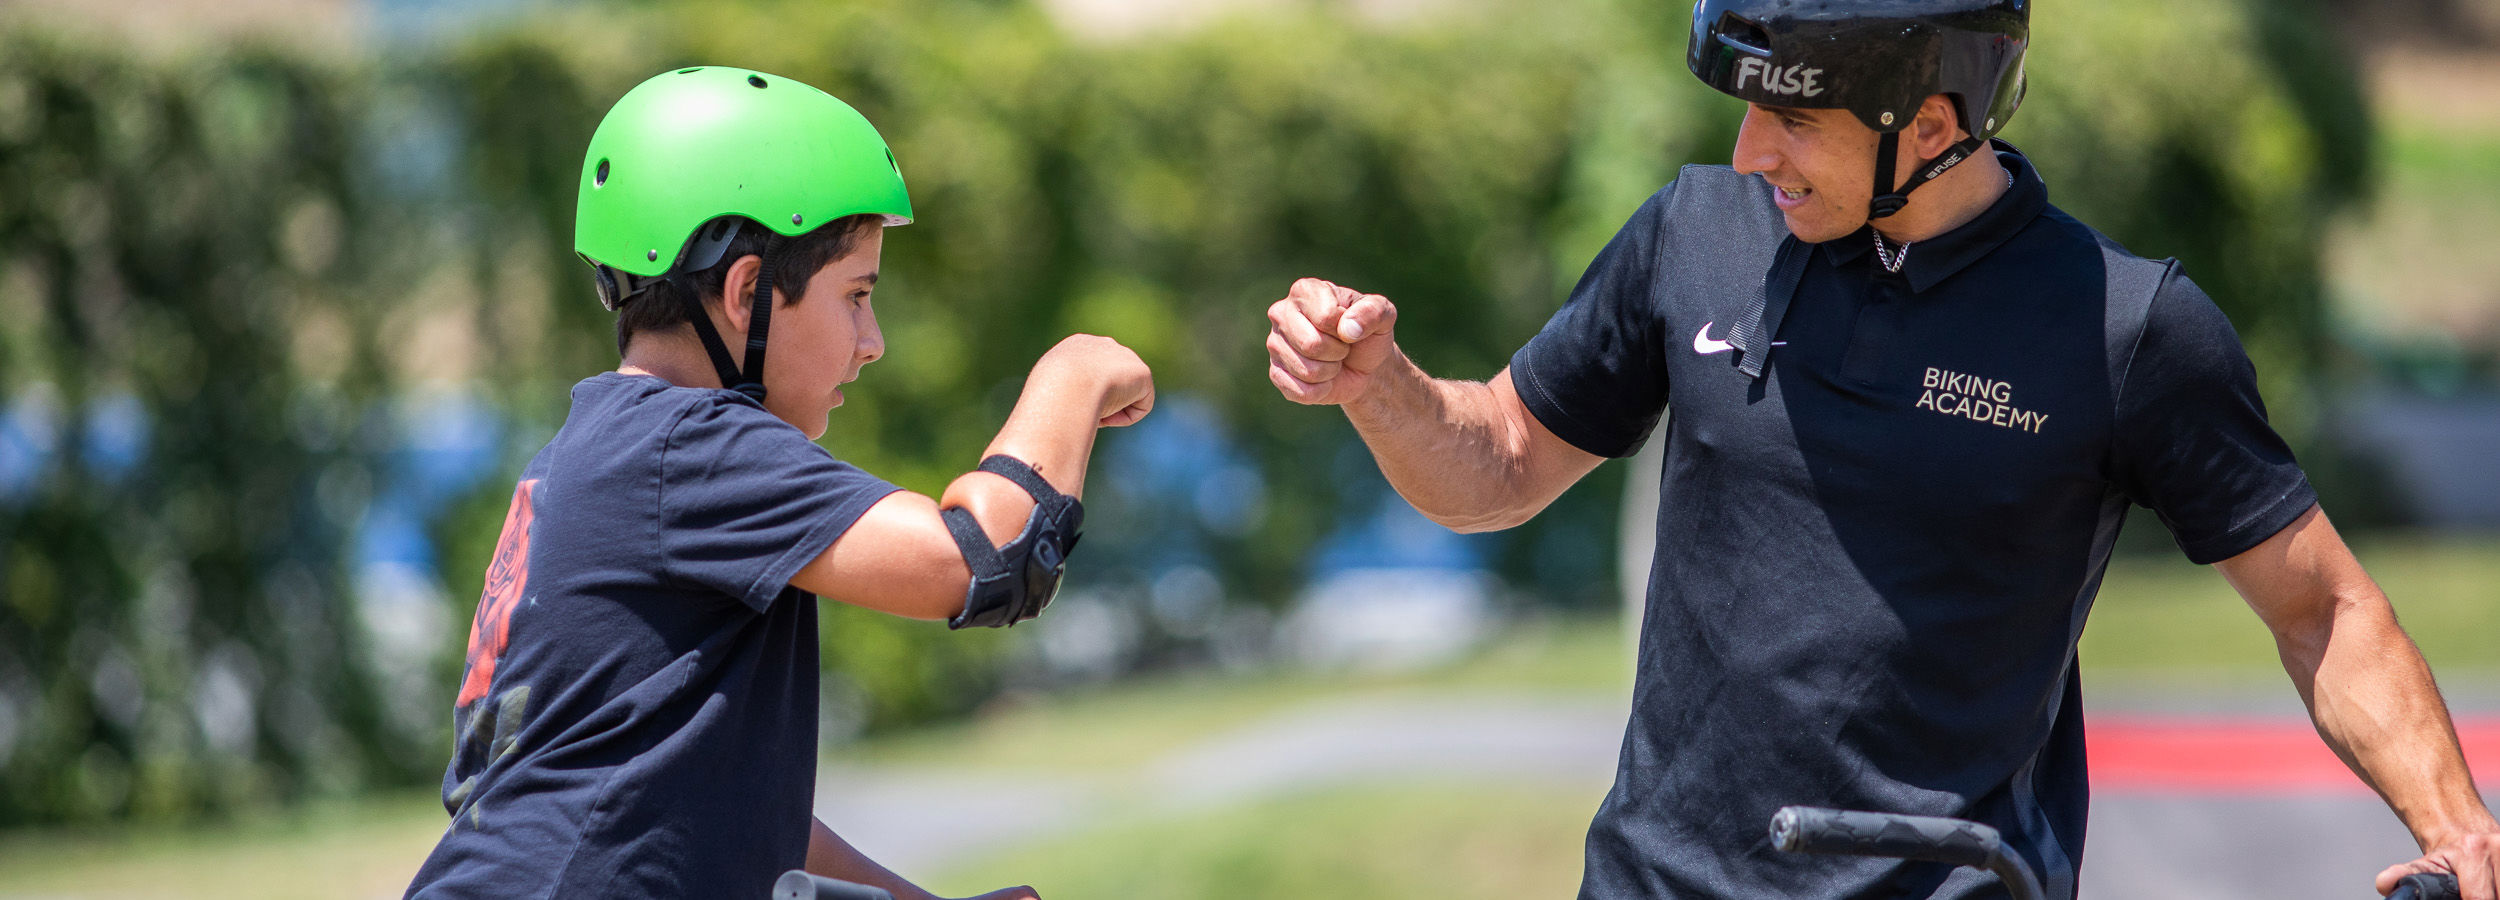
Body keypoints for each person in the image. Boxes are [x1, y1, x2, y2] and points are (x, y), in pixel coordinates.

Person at [1264, 1, 2500, 897]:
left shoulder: (2125, 329)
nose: (1751, 153)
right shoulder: (1693, 234)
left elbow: (2321, 609)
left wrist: (2458, 833)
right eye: (1744, 112)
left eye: (1792, 121)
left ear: (1930, 123)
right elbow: (1499, 464)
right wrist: (1383, 390)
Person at [407, 66, 1153, 899]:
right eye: (857, 296)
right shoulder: (686, 447)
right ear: (749, 290)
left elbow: (725, 805)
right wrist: (1073, 370)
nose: (873, 341)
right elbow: (984, 561)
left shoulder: (608, 452)